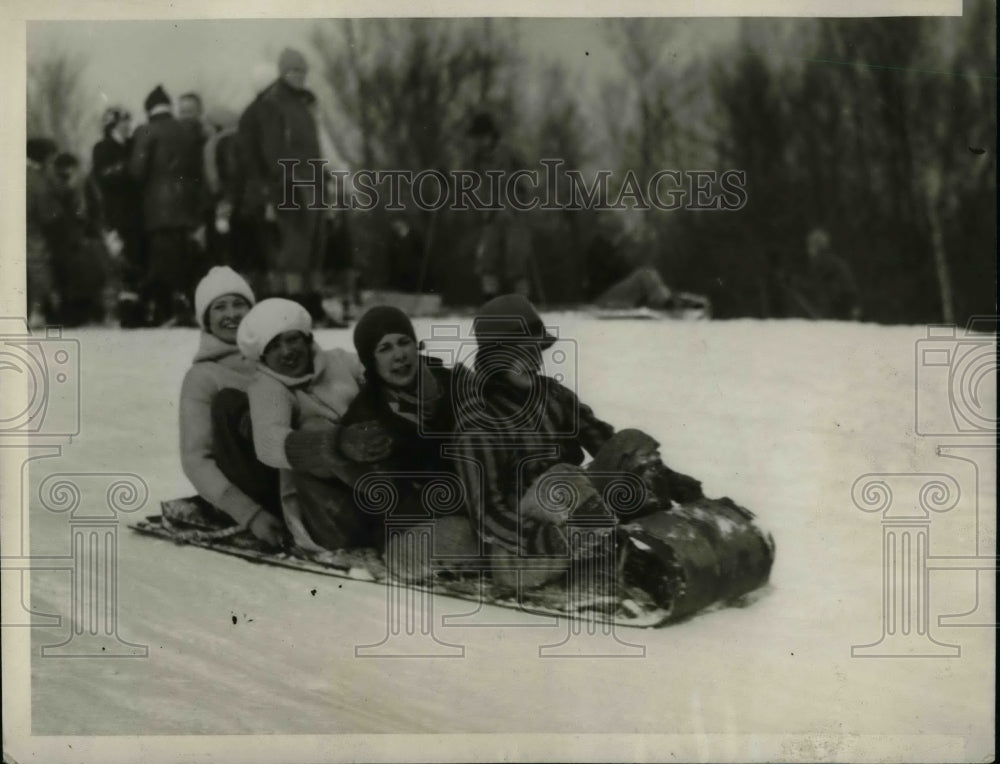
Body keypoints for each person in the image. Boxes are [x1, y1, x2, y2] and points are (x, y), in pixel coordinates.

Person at [451, 294, 704, 589]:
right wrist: (547, 540)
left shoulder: (551, 396)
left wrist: (668, 480)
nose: (534, 360)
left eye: (538, 349)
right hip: (520, 553)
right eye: (522, 352)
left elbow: (604, 441)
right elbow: (488, 517)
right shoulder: (477, 424)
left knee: (630, 441)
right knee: (562, 478)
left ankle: (667, 534)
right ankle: (628, 565)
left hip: (577, 521)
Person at [338, 306, 479, 569]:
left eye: (404, 342)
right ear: (371, 360)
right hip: (417, 520)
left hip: (478, 501)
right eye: (385, 349)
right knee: (464, 539)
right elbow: (383, 498)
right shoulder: (367, 416)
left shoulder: (453, 383)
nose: (399, 355)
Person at [238, 298, 382, 552]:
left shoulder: (337, 361)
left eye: (292, 339)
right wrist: (336, 443)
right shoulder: (268, 386)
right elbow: (269, 442)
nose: (286, 351)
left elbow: (380, 370)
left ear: (307, 338)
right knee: (313, 426)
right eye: (274, 345)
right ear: (262, 355)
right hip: (324, 509)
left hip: (373, 477)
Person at [179, 266, 284, 546]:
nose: (231, 314)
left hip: (290, 478)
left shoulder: (276, 356)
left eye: (239, 304)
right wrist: (250, 514)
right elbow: (196, 459)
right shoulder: (202, 376)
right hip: (247, 493)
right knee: (231, 403)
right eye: (220, 307)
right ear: (206, 319)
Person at [237, 48, 327, 318]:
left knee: (315, 246)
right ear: (282, 73)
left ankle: (313, 304)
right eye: (293, 71)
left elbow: (312, 147)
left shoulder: (302, 104)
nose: (299, 76)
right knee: (294, 247)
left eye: (302, 71)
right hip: (292, 181)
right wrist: (284, 179)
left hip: (313, 179)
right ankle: (295, 304)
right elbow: (273, 148)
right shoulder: (273, 103)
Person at [129, 84, 207, 326]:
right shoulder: (187, 130)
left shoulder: (146, 130)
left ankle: (165, 311)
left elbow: (137, 171)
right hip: (187, 206)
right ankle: (187, 308)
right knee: (186, 259)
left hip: (157, 208)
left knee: (162, 262)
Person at [465, 112, 534, 301]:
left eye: (480, 137)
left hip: (514, 213)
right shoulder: (475, 160)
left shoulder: (508, 153)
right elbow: (466, 185)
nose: (478, 142)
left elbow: (530, 175)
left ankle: (523, 303)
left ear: (489, 135)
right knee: (486, 261)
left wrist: (522, 188)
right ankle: (490, 303)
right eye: (475, 138)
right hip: (490, 215)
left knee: (516, 261)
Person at [92, 105, 147, 327]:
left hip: (137, 214)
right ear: (112, 125)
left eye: (128, 121)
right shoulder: (103, 148)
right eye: (123, 121)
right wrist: (127, 169)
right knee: (122, 263)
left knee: (136, 260)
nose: (128, 125)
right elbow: (104, 177)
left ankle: (137, 312)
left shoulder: (132, 145)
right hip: (118, 215)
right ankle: (125, 314)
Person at [45, 152, 110, 326]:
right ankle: (87, 312)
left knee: (74, 277)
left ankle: (76, 313)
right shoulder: (84, 181)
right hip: (78, 237)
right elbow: (97, 207)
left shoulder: (57, 184)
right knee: (82, 276)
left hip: (72, 238)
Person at [783, 228, 862, 321]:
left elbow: (815, 283)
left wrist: (794, 281)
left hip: (840, 302)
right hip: (849, 301)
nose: (809, 249)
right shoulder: (833, 260)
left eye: (810, 245)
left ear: (816, 246)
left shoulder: (822, 261)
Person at [26, 137, 60, 328]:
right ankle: (37, 313)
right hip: (31, 230)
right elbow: (49, 215)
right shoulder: (37, 180)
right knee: (39, 266)